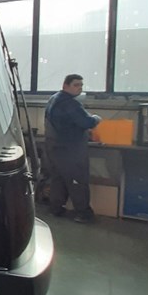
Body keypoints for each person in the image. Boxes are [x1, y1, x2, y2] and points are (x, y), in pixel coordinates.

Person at [44, 73, 101, 223]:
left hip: (54, 148)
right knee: (77, 181)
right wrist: (96, 118)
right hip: (71, 150)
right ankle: (83, 213)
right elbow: (86, 122)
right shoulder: (70, 104)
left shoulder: (53, 99)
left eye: (81, 85)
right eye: (76, 85)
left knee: (58, 180)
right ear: (65, 85)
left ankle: (55, 209)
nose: (79, 88)